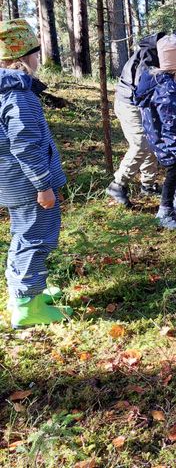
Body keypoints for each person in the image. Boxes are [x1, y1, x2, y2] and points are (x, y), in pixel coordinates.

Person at [0, 19, 72, 328]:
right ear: (26, 56)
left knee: (22, 234)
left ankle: (24, 292)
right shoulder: (18, 93)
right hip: (29, 184)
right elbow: (26, 144)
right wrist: (43, 185)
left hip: (11, 182)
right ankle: (29, 306)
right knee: (36, 238)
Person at [106, 32, 176, 208]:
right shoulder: (151, 58)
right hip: (129, 103)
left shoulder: (160, 55)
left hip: (139, 101)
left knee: (151, 140)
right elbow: (147, 92)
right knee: (142, 142)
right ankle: (118, 184)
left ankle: (147, 185)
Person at [134, 34, 176, 230]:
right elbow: (170, 122)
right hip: (167, 141)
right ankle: (165, 210)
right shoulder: (166, 87)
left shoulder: (159, 80)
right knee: (174, 171)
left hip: (163, 139)